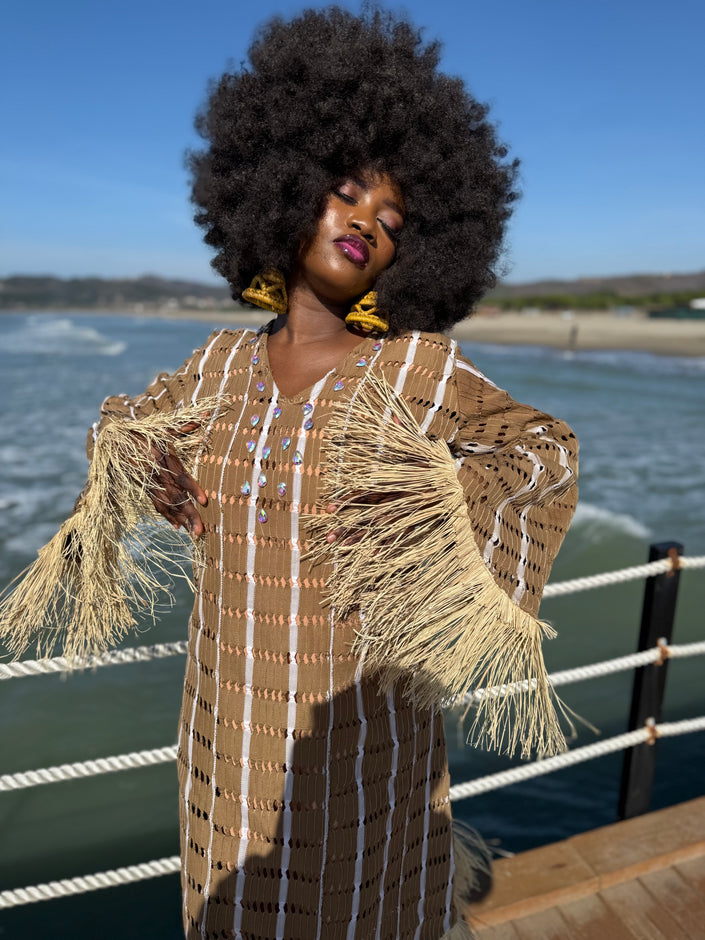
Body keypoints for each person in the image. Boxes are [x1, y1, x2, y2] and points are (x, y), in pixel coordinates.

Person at [0, 8, 578, 938]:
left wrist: (429, 509)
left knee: (362, 908)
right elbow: (124, 426)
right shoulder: (216, 365)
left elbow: (539, 452)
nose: (365, 224)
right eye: (345, 194)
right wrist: (146, 465)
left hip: (361, 739)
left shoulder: (416, 368)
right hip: (221, 729)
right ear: (278, 192)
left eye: (391, 221)